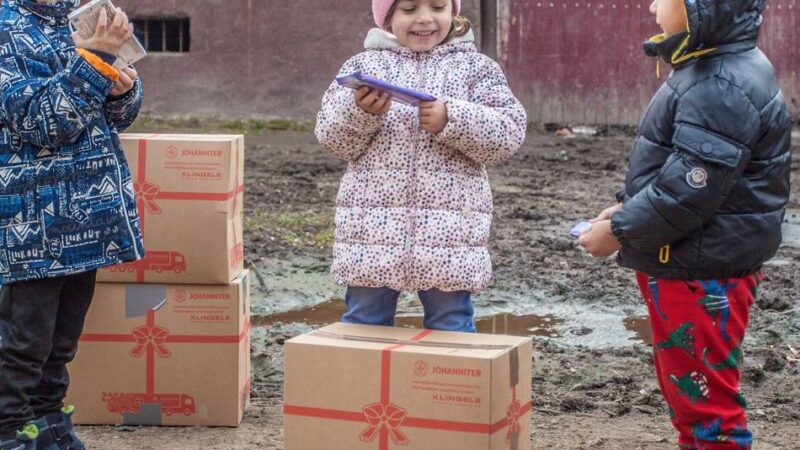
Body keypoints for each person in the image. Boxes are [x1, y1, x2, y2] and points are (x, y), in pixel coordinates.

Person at [578, 0, 792, 448]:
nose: (654, 6)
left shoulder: (721, 83)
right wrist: (624, 209)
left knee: (706, 401)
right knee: (691, 391)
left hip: (701, 271)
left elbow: (687, 192)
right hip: (694, 260)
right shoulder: (710, 67)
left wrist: (619, 232)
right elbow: (680, 169)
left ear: (705, 8)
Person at [315, 0, 527, 332]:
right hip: (372, 233)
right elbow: (332, 138)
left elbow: (508, 133)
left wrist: (452, 118)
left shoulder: (476, 68)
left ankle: (450, 386)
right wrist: (361, 113)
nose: (425, 18)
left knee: (451, 324)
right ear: (386, 19)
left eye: (438, 6)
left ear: (453, 12)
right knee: (363, 324)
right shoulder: (363, 67)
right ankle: (360, 385)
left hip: (450, 237)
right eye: (410, 9)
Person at [0, 1, 145, 448]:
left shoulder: (81, 18)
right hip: (31, 223)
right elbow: (41, 121)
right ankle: (9, 433)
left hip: (88, 217)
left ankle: (48, 429)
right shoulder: (6, 25)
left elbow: (110, 119)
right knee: (22, 349)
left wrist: (123, 92)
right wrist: (96, 59)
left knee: (60, 347)